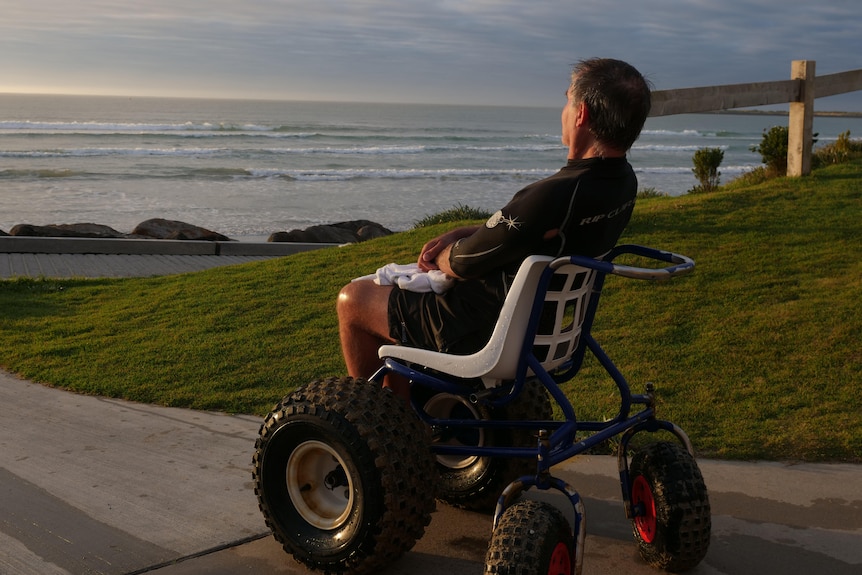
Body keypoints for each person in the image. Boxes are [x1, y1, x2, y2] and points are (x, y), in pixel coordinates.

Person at [337, 57, 652, 399]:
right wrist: (465, 231)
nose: (563, 111)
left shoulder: (557, 193)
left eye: (567, 100)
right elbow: (534, 232)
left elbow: (463, 263)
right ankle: (406, 415)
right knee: (394, 303)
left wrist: (441, 255)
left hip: (485, 332)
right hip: (542, 330)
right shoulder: (622, 183)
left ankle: (380, 423)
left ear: (582, 114)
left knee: (354, 300)